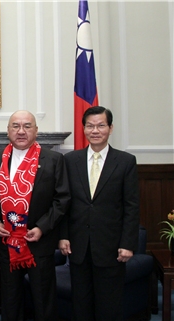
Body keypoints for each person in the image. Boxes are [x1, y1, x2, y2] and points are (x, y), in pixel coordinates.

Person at [0, 110, 70, 321]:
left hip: (39, 243)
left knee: (43, 301)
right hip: (8, 245)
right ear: (8, 131)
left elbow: (62, 200)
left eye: (27, 126)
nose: (21, 131)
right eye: (15, 126)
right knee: (10, 300)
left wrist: (42, 227)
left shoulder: (53, 159)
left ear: (36, 131)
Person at [59, 106, 139, 321]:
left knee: (109, 306)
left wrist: (128, 243)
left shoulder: (125, 162)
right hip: (78, 246)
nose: (95, 130)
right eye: (90, 126)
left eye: (101, 125)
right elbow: (64, 203)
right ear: (83, 128)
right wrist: (64, 235)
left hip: (111, 247)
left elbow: (131, 206)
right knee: (81, 305)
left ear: (110, 128)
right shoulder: (70, 161)